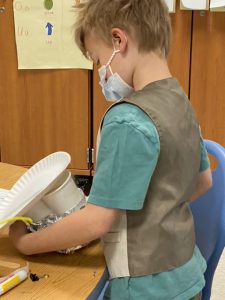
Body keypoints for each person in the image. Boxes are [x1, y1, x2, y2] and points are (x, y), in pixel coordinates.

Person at [9, 1, 212, 299]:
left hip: (143, 290)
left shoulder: (127, 119)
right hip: (189, 277)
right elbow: (202, 181)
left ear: (119, 40)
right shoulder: (180, 100)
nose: (101, 71)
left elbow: (96, 221)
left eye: (98, 58)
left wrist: (27, 244)